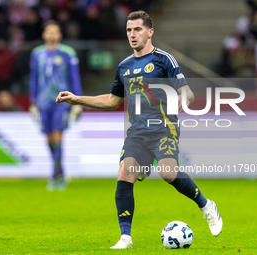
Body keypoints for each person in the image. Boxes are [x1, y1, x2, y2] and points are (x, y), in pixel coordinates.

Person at [56, 10, 223, 248]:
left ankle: (206, 205)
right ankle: (126, 237)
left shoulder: (164, 60)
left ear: (150, 32)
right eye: (128, 30)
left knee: (168, 173)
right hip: (137, 132)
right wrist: (77, 99)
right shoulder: (124, 66)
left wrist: (181, 100)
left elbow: (187, 92)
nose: (132, 35)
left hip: (164, 128)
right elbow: (113, 101)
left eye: (137, 30)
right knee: (125, 173)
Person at [30, 21, 82, 190]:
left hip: (62, 102)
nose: (52, 34)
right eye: (49, 31)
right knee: (48, 138)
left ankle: (55, 175)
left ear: (59, 35)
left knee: (58, 136)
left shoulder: (68, 53)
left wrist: (77, 102)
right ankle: (60, 172)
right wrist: (32, 102)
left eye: (55, 32)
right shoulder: (37, 54)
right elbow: (34, 79)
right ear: (44, 35)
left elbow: (74, 78)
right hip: (44, 102)